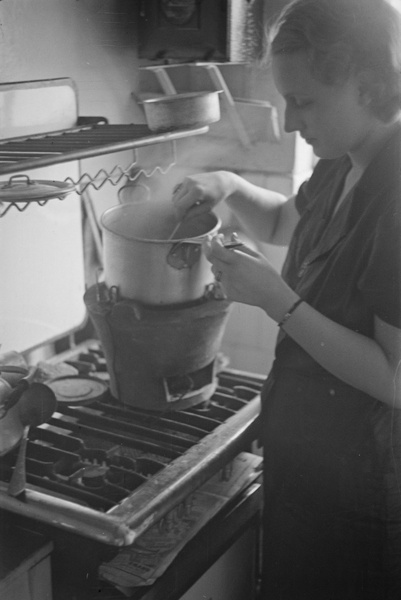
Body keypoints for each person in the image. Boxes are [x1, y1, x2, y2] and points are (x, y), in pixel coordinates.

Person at [171, 0, 401, 597]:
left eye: (304, 101)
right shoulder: (342, 159)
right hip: (311, 473)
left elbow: (395, 377)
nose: (292, 120)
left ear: (369, 84)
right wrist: (228, 184)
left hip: (363, 493)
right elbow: (281, 221)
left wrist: (278, 301)